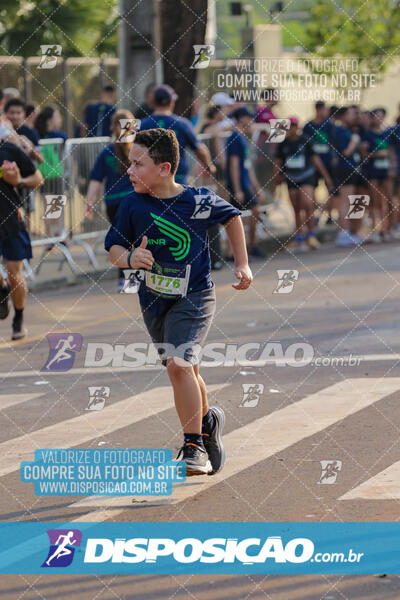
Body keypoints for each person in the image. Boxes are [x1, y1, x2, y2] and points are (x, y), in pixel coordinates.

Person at [105, 128, 252, 475]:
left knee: (179, 366)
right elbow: (113, 248)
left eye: (138, 164)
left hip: (196, 296)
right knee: (187, 371)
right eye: (129, 164)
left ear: (165, 168)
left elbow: (232, 216)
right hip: (155, 302)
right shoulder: (132, 203)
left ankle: (193, 446)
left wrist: (242, 262)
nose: (130, 171)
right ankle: (208, 423)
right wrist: (129, 259)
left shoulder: (196, 202)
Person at [85, 109, 137, 290]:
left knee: (120, 241)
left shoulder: (106, 152)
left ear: (112, 127)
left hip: (113, 204)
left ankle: (123, 280)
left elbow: (95, 179)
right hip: (135, 200)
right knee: (137, 240)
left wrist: (89, 202)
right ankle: (134, 280)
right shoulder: (138, 150)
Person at [0, 139, 44, 339]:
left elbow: (37, 179)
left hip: (10, 219)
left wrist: (18, 182)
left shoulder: (9, 150)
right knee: (6, 278)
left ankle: (18, 318)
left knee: (14, 273)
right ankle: (2, 288)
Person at [273, 117, 332, 253]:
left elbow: (315, 159)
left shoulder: (305, 140)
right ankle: (299, 237)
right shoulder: (283, 143)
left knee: (307, 202)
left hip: (307, 175)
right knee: (296, 207)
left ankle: (311, 234)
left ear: (297, 127)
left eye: (293, 126)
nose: (291, 129)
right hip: (291, 177)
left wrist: (326, 177)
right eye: (289, 127)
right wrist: (276, 179)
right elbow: (278, 162)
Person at [139, 84, 215, 185]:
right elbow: (200, 150)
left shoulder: (142, 124)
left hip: (151, 179)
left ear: (154, 102)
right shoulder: (182, 124)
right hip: (176, 179)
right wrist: (209, 167)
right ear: (171, 102)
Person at [226, 106, 266, 258]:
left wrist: (256, 186)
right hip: (239, 184)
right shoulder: (235, 138)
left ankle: (249, 246)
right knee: (236, 217)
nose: (251, 121)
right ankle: (237, 250)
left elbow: (247, 166)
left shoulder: (242, 137)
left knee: (246, 214)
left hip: (245, 182)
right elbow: (234, 165)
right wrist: (237, 189)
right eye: (249, 118)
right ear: (242, 118)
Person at [332, 106, 365, 246]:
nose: (354, 117)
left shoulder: (350, 131)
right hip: (345, 169)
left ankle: (354, 231)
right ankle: (343, 232)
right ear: (343, 116)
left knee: (356, 200)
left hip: (355, 168)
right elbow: (345, 152)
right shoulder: (339, 130)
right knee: (345, 200)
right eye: (351, 114)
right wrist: (354, 142)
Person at [363, 108, 396, 242]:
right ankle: (376, 230)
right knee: (375, 201)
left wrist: (393, 167)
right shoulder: (367, 134)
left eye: (382, 116)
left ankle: (390, 229)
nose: (379, 119)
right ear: (372, 118)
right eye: (377, 116)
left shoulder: (388, 133)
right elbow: (363, 154)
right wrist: (376, 155)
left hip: (386, 171)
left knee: (389, 200)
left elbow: (391, 152)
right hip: (373, 172)